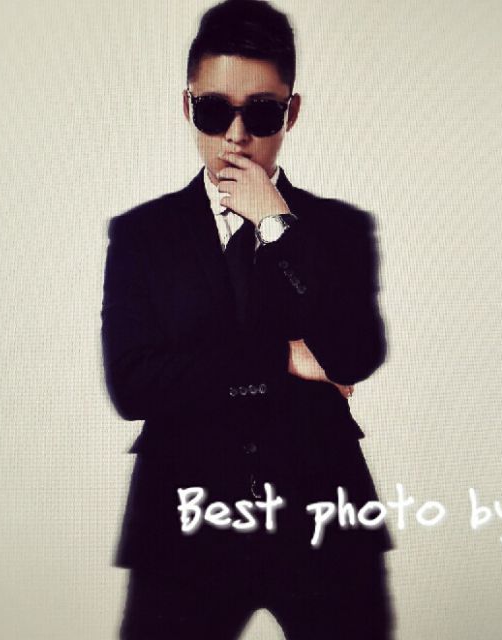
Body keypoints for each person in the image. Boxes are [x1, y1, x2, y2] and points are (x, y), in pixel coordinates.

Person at [101, 1, 394, 637]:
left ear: (291, 111)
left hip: (324, 513)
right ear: (187, 107)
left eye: (260, 113)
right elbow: (132, 385)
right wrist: (282, 357)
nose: (236, 135)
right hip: (182, 519)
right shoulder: (141, 235)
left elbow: (355, 353)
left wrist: (277, 223)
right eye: (214, 110)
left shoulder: (340, 230)